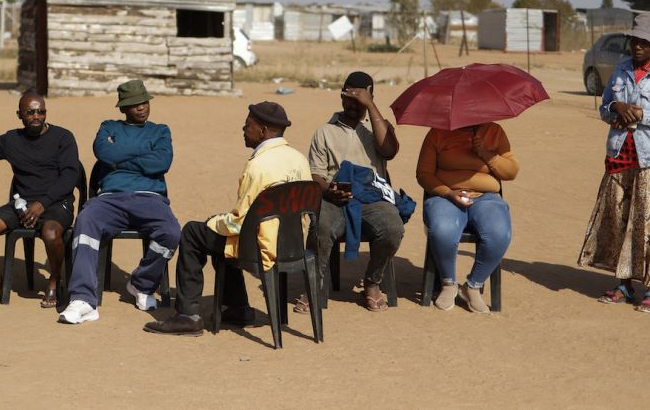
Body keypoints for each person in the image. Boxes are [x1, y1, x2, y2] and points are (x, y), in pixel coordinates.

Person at [144, 102, 311, 336]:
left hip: (260, 246)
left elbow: (239, 223)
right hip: (293, 244)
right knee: (220, 237)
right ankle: (238, 307)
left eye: (248, 125)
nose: (243, 129)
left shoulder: (259, 166)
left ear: (263, 130)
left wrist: (215, 221)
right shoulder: (299, 159)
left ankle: (187, 315)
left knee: (195, 232)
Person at [579, 13, 650, 314]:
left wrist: (642, 115)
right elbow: (604, 108)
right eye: (634, 41)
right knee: (619, 217)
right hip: (620, 155)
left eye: (644, 42)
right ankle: (623, 282)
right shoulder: (622, 70)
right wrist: (616, 106)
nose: (637, 47)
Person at [58, 79, 181, 326]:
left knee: (171, 232)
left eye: (144, 102)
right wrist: (142, 157)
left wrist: (120, 158)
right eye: (135, 104)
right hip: (110, 198)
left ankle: (141, 284)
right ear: (123, 108)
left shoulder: (161, 131)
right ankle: (83, 299)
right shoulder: (108, 127)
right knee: (85, 221)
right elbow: (104, 153)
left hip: (150, 198)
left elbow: (161, 163)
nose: (141, 108)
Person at [293, 71, 402, 313]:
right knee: (320, 228)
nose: (353, 105)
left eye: (360, 100)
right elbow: (316, 174)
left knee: (393, 228)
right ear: (341, 96)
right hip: (335, 198)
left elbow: (388, 151)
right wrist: (328, 189)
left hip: (372, 198)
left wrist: (370, 106)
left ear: (370, 98)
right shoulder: (325, 131)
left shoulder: (377, 127)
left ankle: (373, 283)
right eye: (348, 99)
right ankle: (314, 285)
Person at [0, 91, 81, 308]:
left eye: (41, 112)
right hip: (21, 205)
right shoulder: (12, 139)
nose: (36, 116)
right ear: (19, 115)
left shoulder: (63, 137)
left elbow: (70, 177)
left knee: (51, 234)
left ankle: (53, 281)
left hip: (56, 203)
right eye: (30, 112)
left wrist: (42, 203)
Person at [416, 120, 519, 313]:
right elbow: (423, 174)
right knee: (442, 230)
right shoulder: (437, 133)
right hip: (445, 196)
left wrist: (487, 154)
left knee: (499, 234)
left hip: (486, 197)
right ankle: (448, 283)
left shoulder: (494, 131)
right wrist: (448, 193)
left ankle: (473, 286)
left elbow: (511, 172)